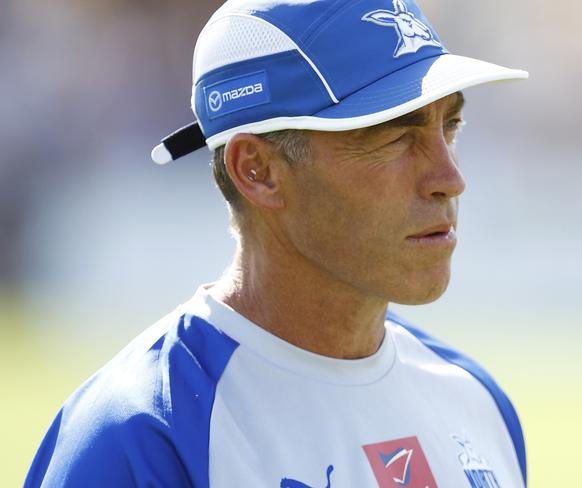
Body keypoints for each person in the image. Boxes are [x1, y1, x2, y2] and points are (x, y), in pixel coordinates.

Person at [26, 0, 529, 487]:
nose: (450, 178)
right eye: (395, 135)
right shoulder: (142, 436)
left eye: (451, 125)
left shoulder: (476, 399)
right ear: (257, 170)